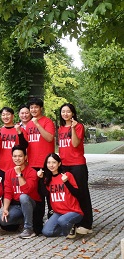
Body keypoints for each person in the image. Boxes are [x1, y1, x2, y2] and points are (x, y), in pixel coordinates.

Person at [58, 103, 93, 234]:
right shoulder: (60, 128)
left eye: (68, 111)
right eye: (63, 111)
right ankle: (75, 221)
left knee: (82, 192)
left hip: (77, 164)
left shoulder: (78, 126)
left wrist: (72, 128)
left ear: (73, 113)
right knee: (69, 193)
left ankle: (87, 223)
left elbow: (75, 143)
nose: (65, 114)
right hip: (64, 164)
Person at [25, 98, 55, 234]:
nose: (33, 110)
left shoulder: (47, 122)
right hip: (32, 165)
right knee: (37, 196)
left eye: (36, 107)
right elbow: (25, 142)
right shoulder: (28, 124)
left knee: (48, 194)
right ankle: (37, 225)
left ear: (40, 108)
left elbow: (49, 138)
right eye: (31, 108)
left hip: (46, 165)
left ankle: (52, 220)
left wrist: (37, 125)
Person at [0, 146, 41, 239]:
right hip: (17, 205)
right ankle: (23, 220)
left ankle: (29, 229)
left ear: (25, 157)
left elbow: (26, 190)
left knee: (23, 197)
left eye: (20, 156)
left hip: (31, 203)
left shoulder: (32, 172)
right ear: (12, 157)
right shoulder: (8, 173)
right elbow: (8, 192)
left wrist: (19, 174)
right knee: (3, 221)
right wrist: (5, 209)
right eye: (15, 156)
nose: (17, 158)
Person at [38, 153, 83, 239]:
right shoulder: (48, 179)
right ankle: (67, 229)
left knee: (62, 220)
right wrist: (41, 179)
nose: (51, 165)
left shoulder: (67, 175)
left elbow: (77, 194)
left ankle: (71, 225)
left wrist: (66, 182)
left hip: (73, 211)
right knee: (46, 232)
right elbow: (45, 194)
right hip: (59, 212)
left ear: (59, 164)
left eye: (54, 162)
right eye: (49, 162)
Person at [0, 107, 28, 182]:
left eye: (8, 114)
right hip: (2, 167)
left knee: (17, 190)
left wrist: (19, 133)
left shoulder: (20, 129)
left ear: (13, 116)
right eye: (3, 115)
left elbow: (24, 146)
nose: (5, 117)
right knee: (2, 191)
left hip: (17, 167)